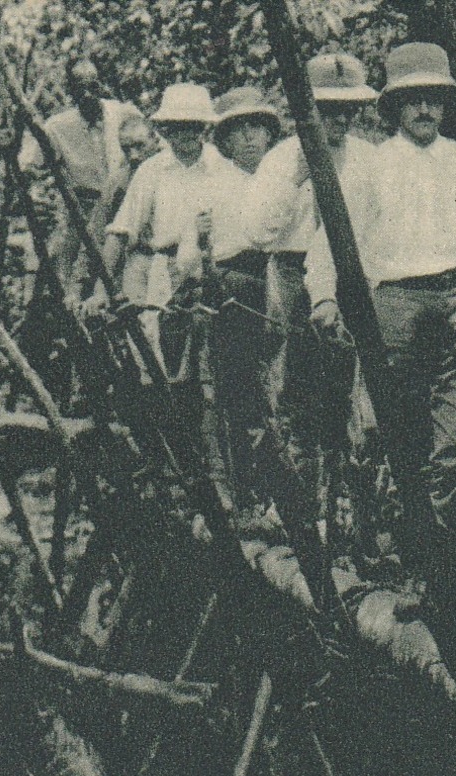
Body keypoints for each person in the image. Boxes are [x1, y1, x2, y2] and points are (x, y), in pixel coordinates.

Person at [307, 42, 456, 559]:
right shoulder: (372, 166)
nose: (424, 109)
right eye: (412, 99)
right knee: (391, 431)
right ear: (394, 106)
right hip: (396, 307)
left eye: (433, 99)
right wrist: (323, 297)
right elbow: (332, 238)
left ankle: (440, 551)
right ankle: (384, 541)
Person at [246, 53, 380, 509]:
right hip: (292, 271)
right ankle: (298, 494)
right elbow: (258, 231)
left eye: (348, 110)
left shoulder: (368, 158)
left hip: (353, 276)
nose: (339, 120)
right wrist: (294, 180)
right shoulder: (281, 159)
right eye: (329, 110)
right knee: (295, 384)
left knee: (349, 382)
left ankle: (347, 491)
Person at [172, 87, 283, 511]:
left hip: (286, 286)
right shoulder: (213, 188)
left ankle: (293, 494)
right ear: (225, 141)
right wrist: (201, 242)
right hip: (235, 293)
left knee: (288, 392)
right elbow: (186, 261)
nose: (250, 137)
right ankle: (248, 492)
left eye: (257, 127)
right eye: (239, 130)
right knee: (240, 394)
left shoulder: (287, 177)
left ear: (270, 134)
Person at [100, 83, 227, 366]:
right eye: (177, 127)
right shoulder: (153, 170)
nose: (186, 134)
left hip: (211, 272)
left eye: (193, 126)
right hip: (163, 271)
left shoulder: (220, 166)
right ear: (166, 129)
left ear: (205, 128)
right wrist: (101, 289)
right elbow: (121, 229)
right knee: (156, 353)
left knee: (205, 356)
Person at [18, 58, 145, 310]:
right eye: (79, 88)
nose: (87, 95)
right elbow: (29, 166)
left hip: (125, 204)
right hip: (84, 212)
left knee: (127, 275)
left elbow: (150, 144)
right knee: (69, 280)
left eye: (92, 86)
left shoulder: (123, 114)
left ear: (101, 85)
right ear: (70, 91)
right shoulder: (58, 127)